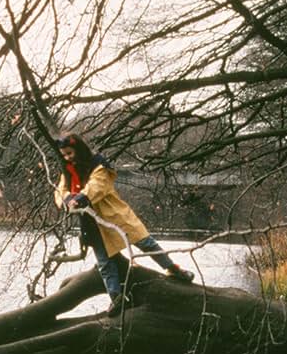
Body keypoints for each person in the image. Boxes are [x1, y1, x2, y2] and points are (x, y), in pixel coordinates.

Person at [54, 133, 194, 316]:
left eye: (70, 153)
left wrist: (80, 198)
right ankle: (117, 299)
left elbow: (98, 186)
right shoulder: (67, 170)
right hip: (91, 221)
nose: (67, 158)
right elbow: (60, 190)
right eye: (64, 155)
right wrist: (67, 199)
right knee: (105, 263)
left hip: (114, 215)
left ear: (78, 149)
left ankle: (173, 269)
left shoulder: (98, 164)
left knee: (146, 242)